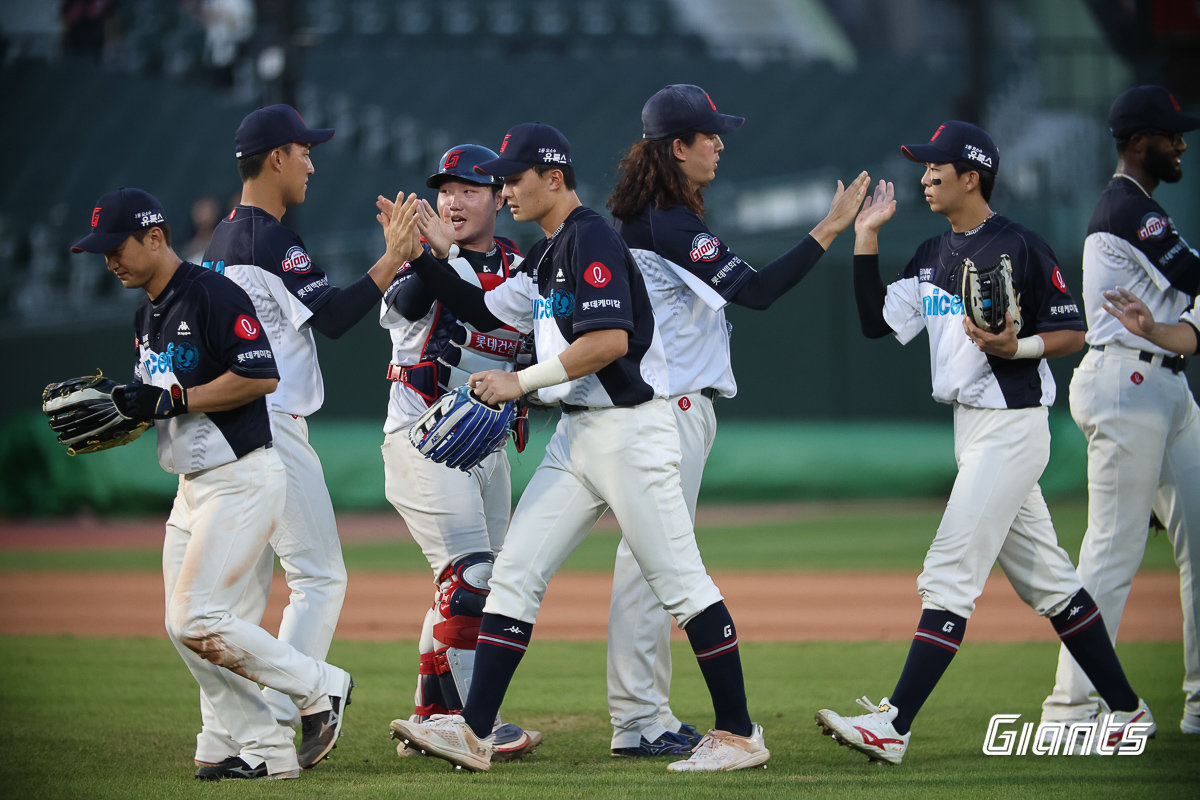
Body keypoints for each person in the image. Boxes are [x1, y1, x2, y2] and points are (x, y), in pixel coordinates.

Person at [386, 122, 770, 773]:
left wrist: (520, 380)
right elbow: (481, 311)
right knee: (515, 572)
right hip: (578, 437)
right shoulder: (544, 253)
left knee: (678, 581)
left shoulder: (592, 235)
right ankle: (474, 732)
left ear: (554, 178)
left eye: (514, 178)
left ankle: (739, 735)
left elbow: (609, 341)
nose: (504, 190)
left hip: (629, 431)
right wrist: (423, 255)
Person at [814, 121, 1154, 765]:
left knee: (948, 572)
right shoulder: (930, 254)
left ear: (971, 175)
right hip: (971, 430)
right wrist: (865, 237)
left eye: (935, 168)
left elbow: (1071, 331)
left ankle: (895, 723)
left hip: (1012, 424)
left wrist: (1014, 347)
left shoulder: (1021, 246)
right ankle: (1127, 710)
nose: (923, 177)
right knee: (1051, 583)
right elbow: (871, 324)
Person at [603, 83, 869, 758]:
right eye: (709, 134)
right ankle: (643, 720)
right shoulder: (670, 224)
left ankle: (639, 717)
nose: (720, 143)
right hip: (672, 410)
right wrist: (830, 228)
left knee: (643, 566)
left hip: (658, 409)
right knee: (656, 569)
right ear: (677, 147)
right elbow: (756, 291)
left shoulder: (658, 219)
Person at [68, 186, 353, 780]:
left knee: (193, 617)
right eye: (101, 252)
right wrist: (135, 406)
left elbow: (260, 375)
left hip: (241, 477)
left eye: (116, 246)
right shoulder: (146, 311)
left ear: (155, 236)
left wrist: (172, 397)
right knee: (185, 628)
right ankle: (258, 748)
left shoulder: (212, 294)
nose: (110, 260)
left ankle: (321, 685)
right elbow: (163, 398)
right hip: (191, 486)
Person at [198, 104, 407, 769]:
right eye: (305, 152)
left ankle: (222, 741)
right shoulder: (267, 236)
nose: (313, 163)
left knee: (233, 599)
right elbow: (340, 315)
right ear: (277, 158)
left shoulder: (223, 238)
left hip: (231, 431)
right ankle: (298, 707)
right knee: (318, 576)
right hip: (273, 424)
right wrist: (394, 258)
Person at [1041, 85, 1200, 736]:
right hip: (1127, 384)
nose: (1181, 143)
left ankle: (1198, 702)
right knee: (1113, 549)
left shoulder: (1144, 212)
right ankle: (1070, 707)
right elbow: (1192, 278)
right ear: (1138, 142)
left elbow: (1187, 315)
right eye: (1170, 134)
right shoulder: (1127, 209)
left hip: (1168, 387)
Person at [380, 143, 540, 760]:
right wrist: (424, 256)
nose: (453, 199)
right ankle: (474, 724)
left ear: (499, 198)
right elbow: (410, 306)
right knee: (471, 579)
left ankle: (429, 716)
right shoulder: (418, 266)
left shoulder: (519, 265)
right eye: (446, 189)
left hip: (485, 449)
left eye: (470, 189)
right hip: (424, 441)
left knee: (478, 588)